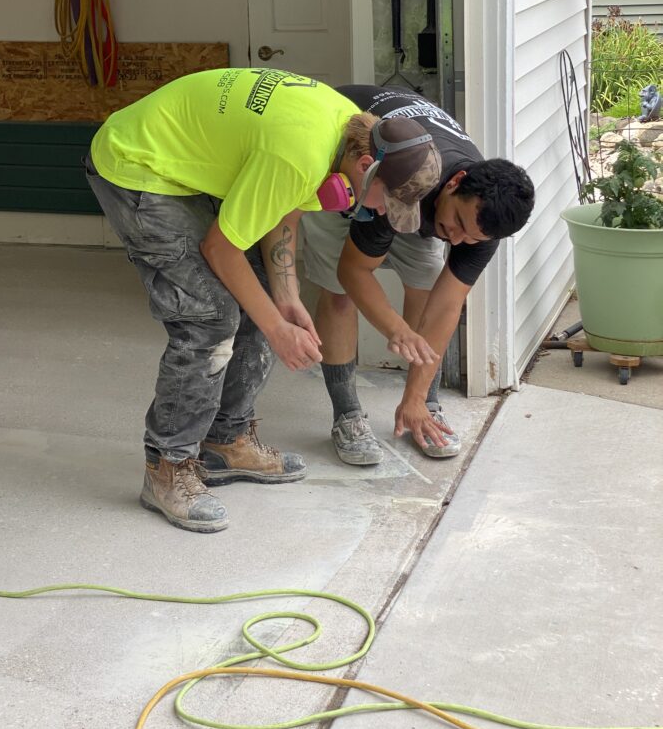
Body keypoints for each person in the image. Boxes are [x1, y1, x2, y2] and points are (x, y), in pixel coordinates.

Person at [84, 68, 443, 533]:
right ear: (364, 167)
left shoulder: (351, 130)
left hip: (187, 163)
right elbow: (221, 248)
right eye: (382, 201)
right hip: (137, 164)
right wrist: (278, 328)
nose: (378, 213)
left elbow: (285, 206)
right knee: (209, 318)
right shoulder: (299, 152)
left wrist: (286, 296)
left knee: (258, 304)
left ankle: (226, 441)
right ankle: (167, 469)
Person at [300, 84, 535, 467]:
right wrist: (396, 329)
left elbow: (445, 306)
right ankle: (346, 415)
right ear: (455, 183)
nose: (456, 239)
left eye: (469, 237)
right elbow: (354, 271)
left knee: (426, 288)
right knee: (338, 290)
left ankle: (423, 405)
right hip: (355, 165)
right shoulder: (409, 178)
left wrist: (414, 399)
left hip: (424, 193)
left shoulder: (482, 224)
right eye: (457, 222)